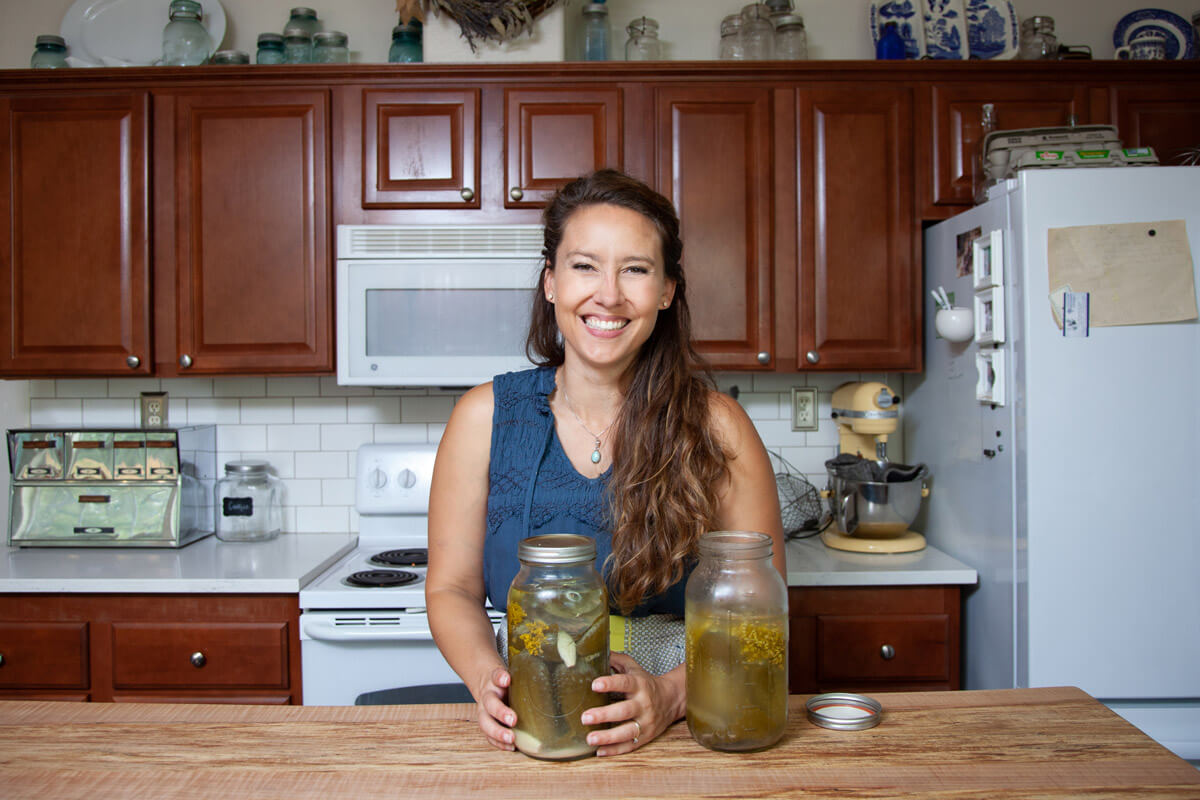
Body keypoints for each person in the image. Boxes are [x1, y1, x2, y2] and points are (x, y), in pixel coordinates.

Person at [426, 168, 785, 756]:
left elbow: (759, 613)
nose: (609, 294)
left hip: (686, 723)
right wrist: (489, 682)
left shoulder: (719, 427)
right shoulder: (482, 418)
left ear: (667, 291)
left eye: (636, 270)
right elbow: (451, 589)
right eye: (585, 265)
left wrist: (669, 696)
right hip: (531, 714)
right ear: (550, 282)